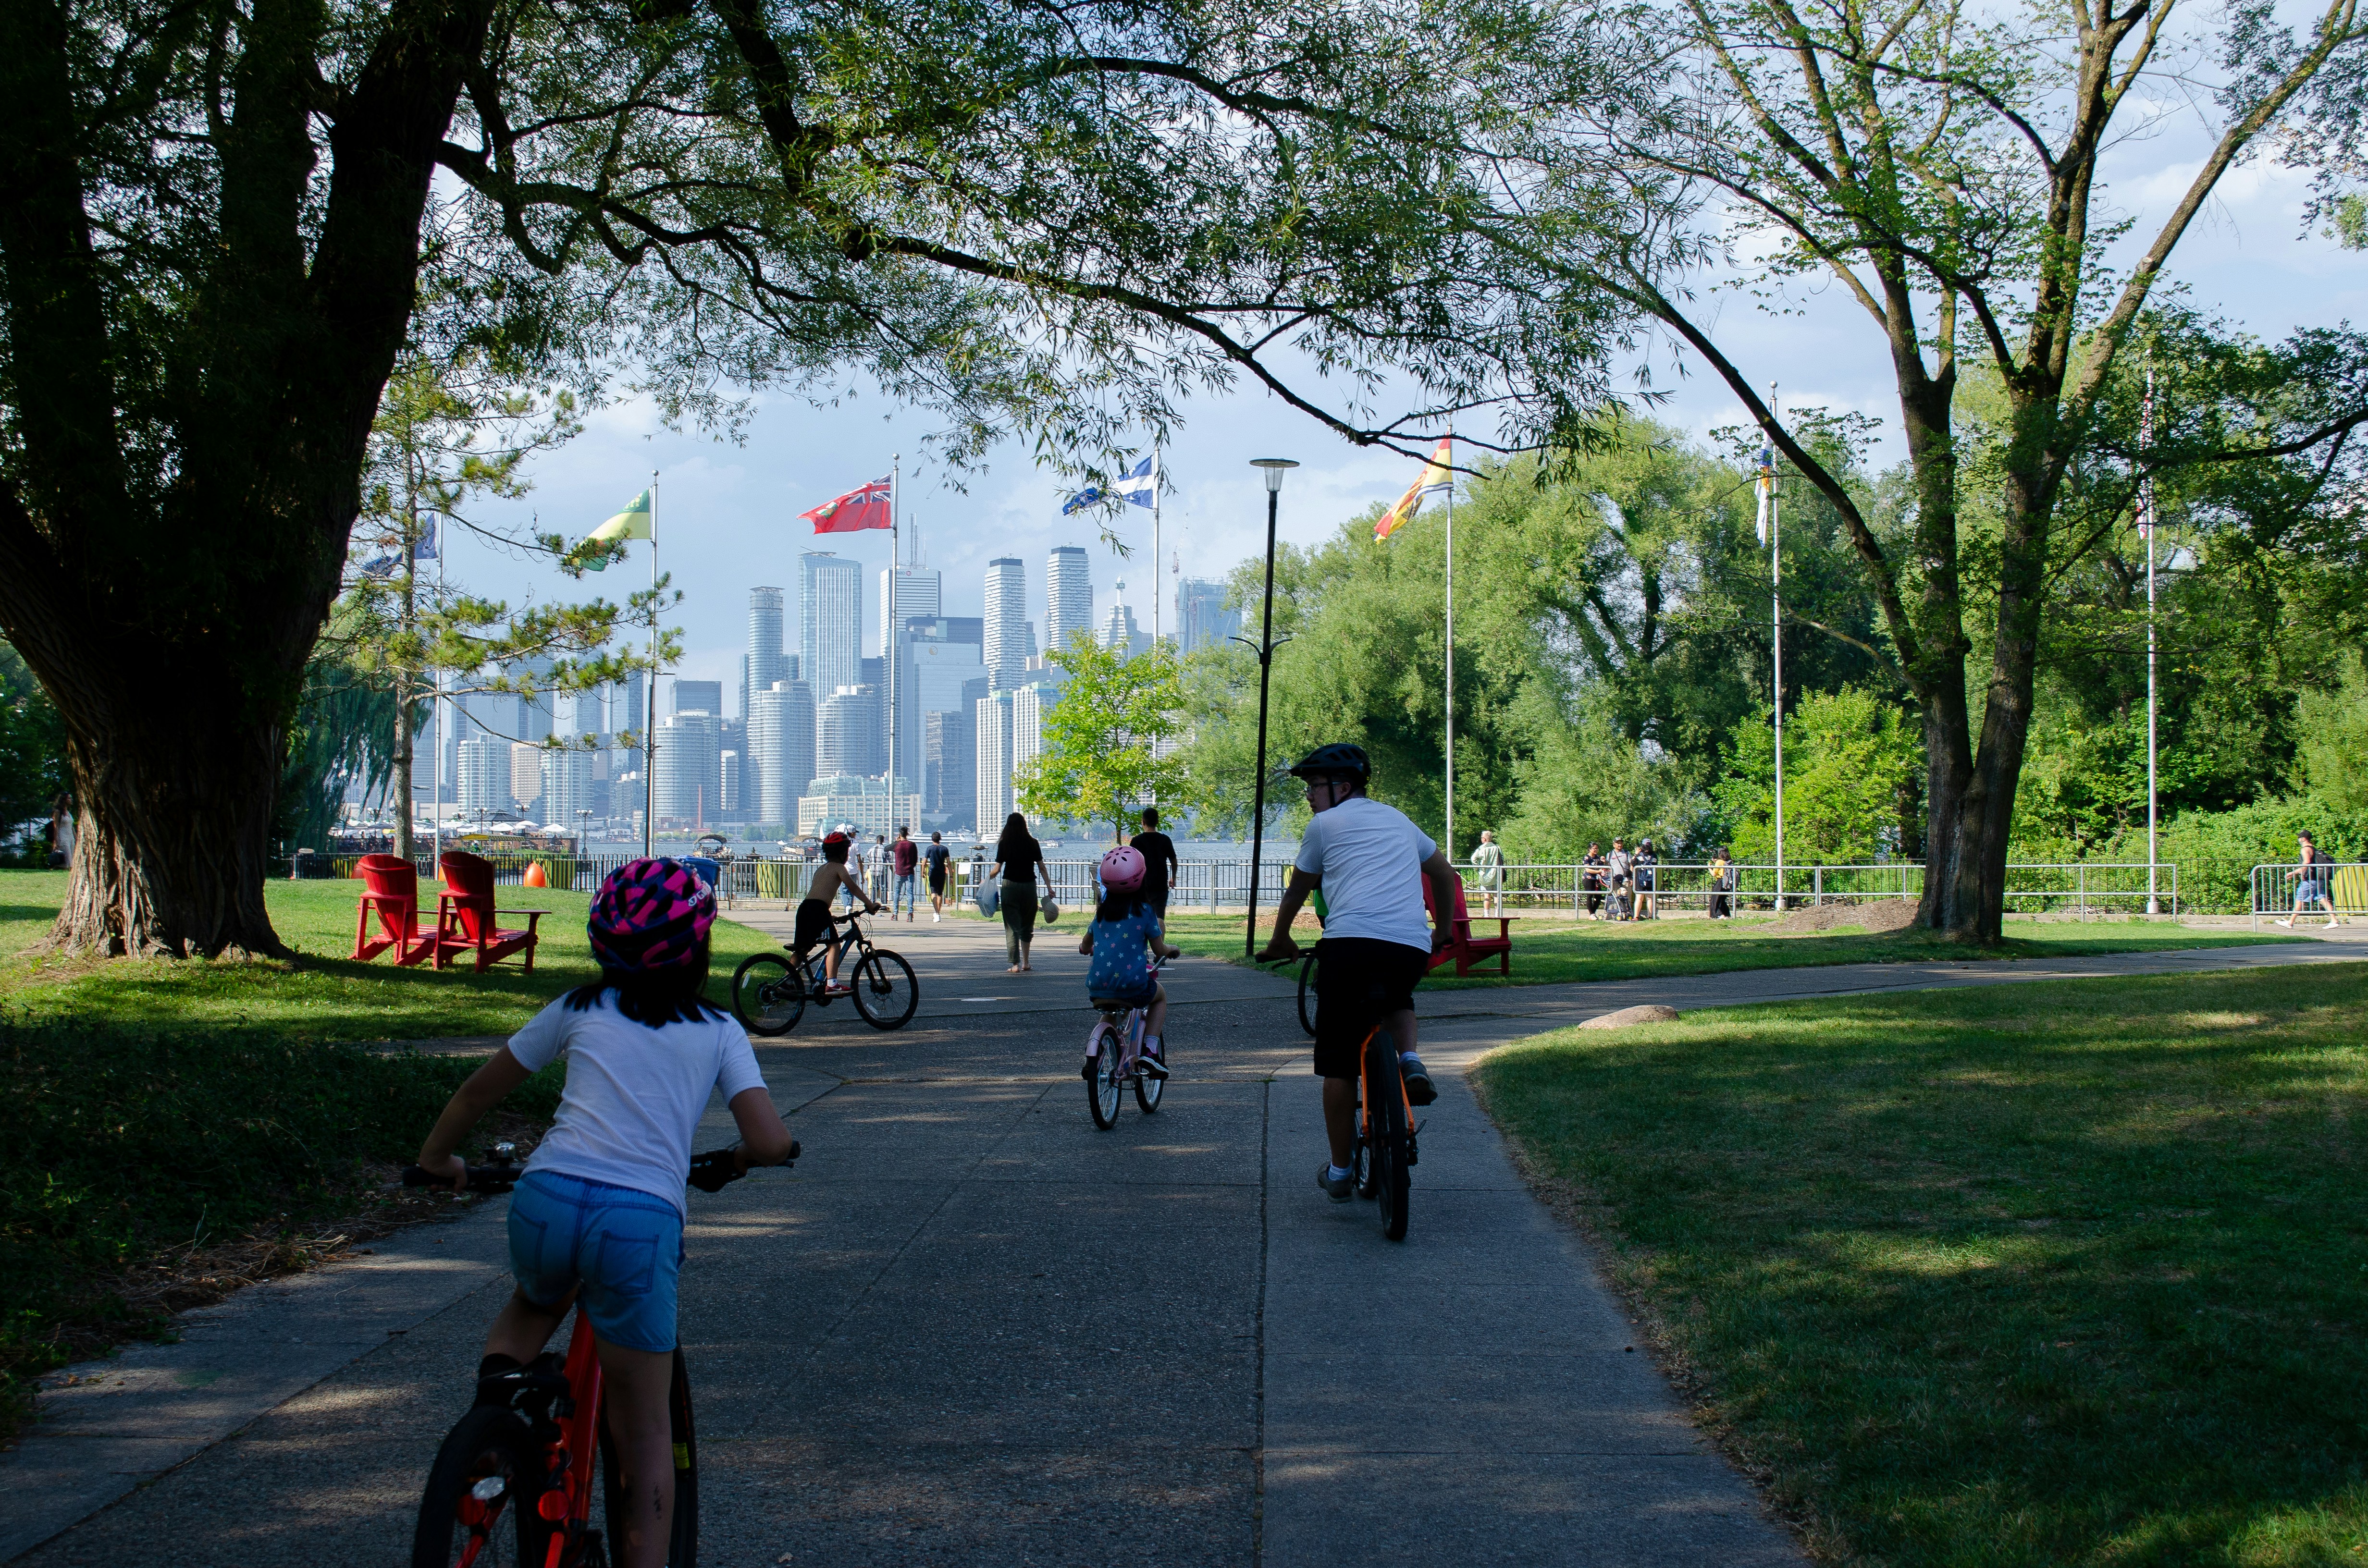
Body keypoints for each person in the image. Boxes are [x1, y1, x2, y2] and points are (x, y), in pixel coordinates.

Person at [413, 858, 796, 1568]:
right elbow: (769, 1140)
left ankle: (497, 1430)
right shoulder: (717, 1030)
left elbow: (476, 1093)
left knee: (533, 1303)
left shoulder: (578, 1010)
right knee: (646, 1430)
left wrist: (440, 1161)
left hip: (547, 1199)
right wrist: (747, 1159)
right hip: (637, 1223)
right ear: (699, 950)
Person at [1253, 744, 1457, 1204]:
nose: (1309, 796)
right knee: (1398, 999)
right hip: (1409, 946)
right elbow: (1443, 874)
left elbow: (1298, 889)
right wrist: (1442, 932)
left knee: (1340, 1064)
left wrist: (1280, 939)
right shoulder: (1400, 820)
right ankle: (1410, 1062)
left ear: (1342, 787)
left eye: (1314, 787)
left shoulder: (1324, 825)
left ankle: (1342, 1171)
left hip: (1348, 947)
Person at [1079, 845, 1183, 1078]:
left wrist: (1085, 949)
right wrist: (1171, 950)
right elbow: (1159, 949)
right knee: (1160, 996)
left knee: (1114, 1008)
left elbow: (1085, 945)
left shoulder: (1101, 914)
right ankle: (1151, 1051)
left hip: (1097, 989)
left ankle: (1093, 1055)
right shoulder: (1145, 912)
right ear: (1141, 877)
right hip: (1132, 986)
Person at [795, 832, 880, 993]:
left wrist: (829, 917)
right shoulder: (839, 868)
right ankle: (832, 984)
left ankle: (787, 979)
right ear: (842, 853)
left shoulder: (821, 869)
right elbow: (853, 887)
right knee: (834, 945)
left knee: (802, 949)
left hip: (805, 909)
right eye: (847, 852)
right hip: (818, 910)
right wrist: (869, 904)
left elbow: (819, 895)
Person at [991, 811, 1060, 972]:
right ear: (1025, 826)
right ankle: (1026, 963)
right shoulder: (1033, 843)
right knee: (1028, 925)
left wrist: (987, 879)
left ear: (1008, 826)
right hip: (1029, 887)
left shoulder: (1004, 844)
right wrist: (1049, 887)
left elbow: (997, 869)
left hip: (1010, 887)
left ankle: (1015, 964)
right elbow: (1042, 867)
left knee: (1012, 926)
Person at [2279, 830, 2343, 928]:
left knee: (2299, 900)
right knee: (2323, 899)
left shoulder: (2305, 849)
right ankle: (2334, 921)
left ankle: (2290, 923)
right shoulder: (2313, 848)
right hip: (2318, 878)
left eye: (2299, 837)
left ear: (2304, 839)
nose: (2298, 839)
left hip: (2310, 879)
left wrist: (2294, 873)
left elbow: (2307, 863)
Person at [1130, 806, 1182, 919]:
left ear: (1142, 822)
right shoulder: (1165, 840)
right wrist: (1173, 878)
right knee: (1159, 919)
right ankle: (1159, 938)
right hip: (1160, 885)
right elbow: (1174, 860)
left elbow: (1131, 863)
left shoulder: (1136, 841)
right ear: (1157, 822)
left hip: (1141, 886)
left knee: (1140, 919)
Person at [1470, 829, 1506, 917]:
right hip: (1497, 874)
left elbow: (1473, 859)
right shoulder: (1497, 848)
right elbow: (1502, 858)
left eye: (1482, 838)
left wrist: (1478, 868)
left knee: (1487, 896)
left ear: (1485, 839)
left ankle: (1486, 914)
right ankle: (1497, 914)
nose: (1481, 839)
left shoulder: (1482, 848)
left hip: (1485, 875)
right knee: (1497, 895)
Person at [890, 827, 919, 922]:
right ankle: (910, 914)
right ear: (907, 834)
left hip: (899, 872)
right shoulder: (912, 845)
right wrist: (912, 866)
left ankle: (895, 914)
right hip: (910, 872)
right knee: (910, 893)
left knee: (897, 892)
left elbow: (887, 848)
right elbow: (915, 859)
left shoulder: (897, 845)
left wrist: (896, 841)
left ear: (899, 834)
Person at [925, 831, 954, 921]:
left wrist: (922, 872)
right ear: (940, 839)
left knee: (933, 893)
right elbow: (949, 863)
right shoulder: (945, 849)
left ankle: (936, 912)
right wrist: (951, 876)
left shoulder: (929, 849)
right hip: (942, 872)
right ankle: (938, 912)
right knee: (940, 893)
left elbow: (924, 862)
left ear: (932, 839)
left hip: (933, 872)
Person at [1606, 837, 1632, 921]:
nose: (1620, 845)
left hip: (1625, 879)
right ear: (1614, 845)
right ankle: (1616, 913)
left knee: (1626, 897)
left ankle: (1628, 913)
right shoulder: (1610, 854)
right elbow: (1607, 866)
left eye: (1621, 843)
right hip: (1615, 880)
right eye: (1618, 843)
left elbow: (1631, 865)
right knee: (1615, 897)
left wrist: (1631, 877)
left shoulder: (1627, 853)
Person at [1633, 837, 1658, 920]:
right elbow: (1632, 863)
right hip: (1644, 879)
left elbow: (1632, 863)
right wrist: (1636, 854)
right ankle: (1640, 917)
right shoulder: (1643, 855)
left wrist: (1636, 854)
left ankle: (1648, 917)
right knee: (1642, 898)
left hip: (1646, 879)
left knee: (1647, 898)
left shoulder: (1651, 855)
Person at [1581, 842, 1607, 918]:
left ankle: (1592, 913)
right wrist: (1598, 872)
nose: (1596, 850)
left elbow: (1601, 867)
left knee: (1599, 897)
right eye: (1594, 848)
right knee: (1590, 896)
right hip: (1588, 879)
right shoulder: (1587, 858)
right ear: (1590, 849)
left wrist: (1603, 862)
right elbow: (1588, 870)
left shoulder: (1597, 857)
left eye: (1597, 848)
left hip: (1596, 879)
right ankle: (1592, 914)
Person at [1707, 847, 1734, 919]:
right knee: (1722, 900)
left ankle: (1718, 915)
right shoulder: (1728, 861)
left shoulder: (1719, 862)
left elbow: (1714, 874)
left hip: (1720, 881)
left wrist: (1709, 868)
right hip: (1727, 882)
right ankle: (1726, 914)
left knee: (1715, 899)